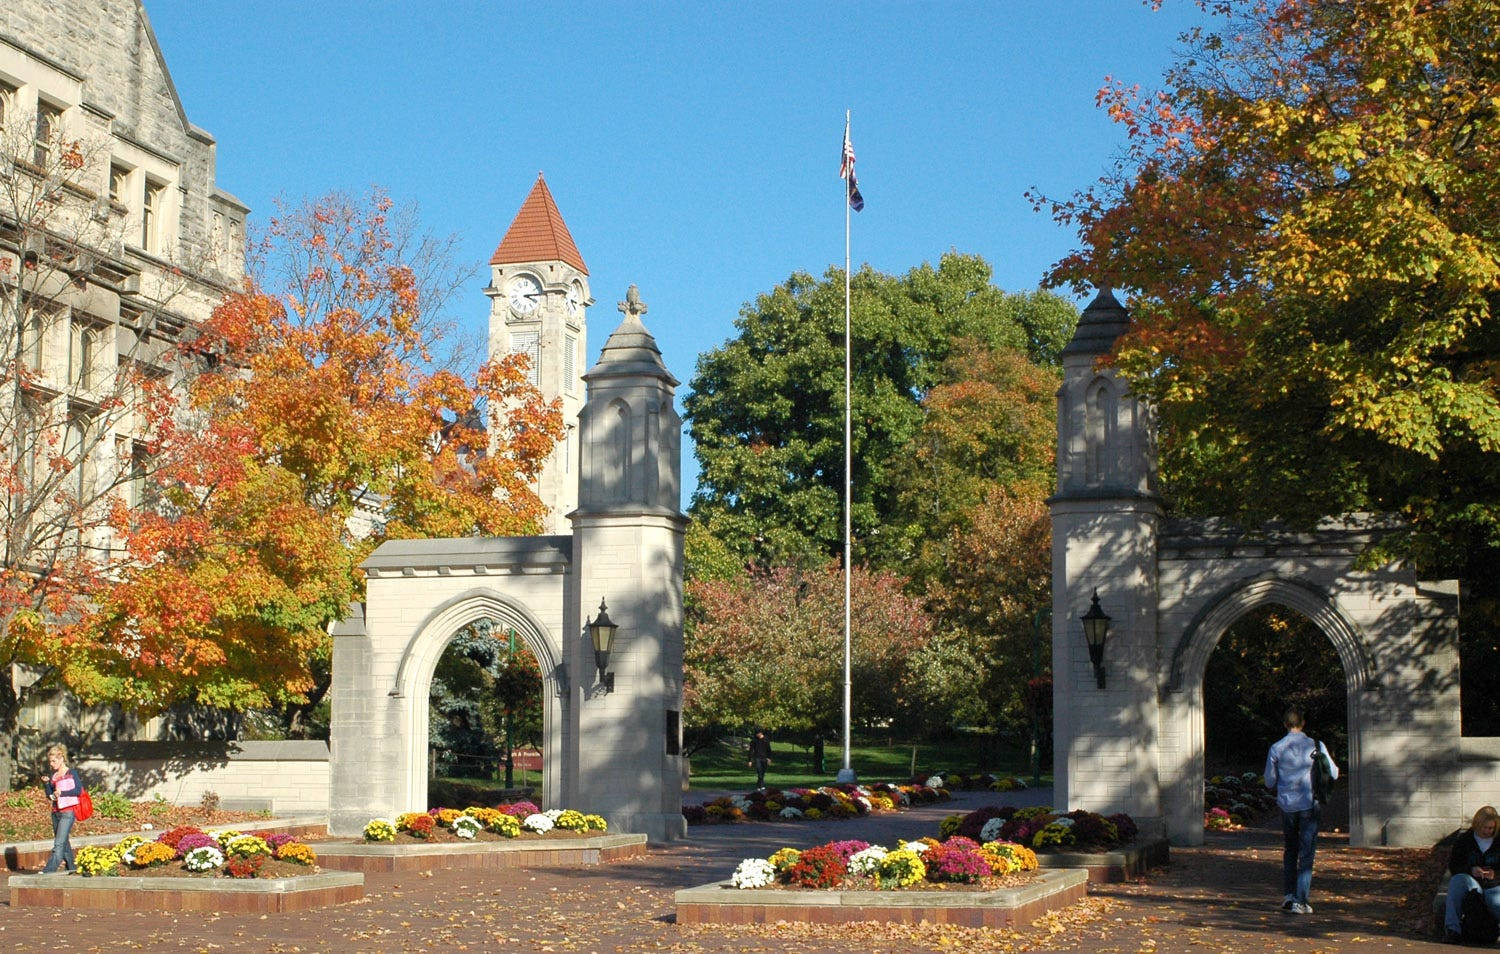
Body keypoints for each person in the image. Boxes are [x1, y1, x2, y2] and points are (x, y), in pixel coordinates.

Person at [1264, 707, 1339, 914]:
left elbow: (1269, 781)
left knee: (1290, 849)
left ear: (1284, 724)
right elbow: (1333, 772)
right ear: (1303, 723)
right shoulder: (1316, 745)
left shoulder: (1276, 748)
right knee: (1307, 852)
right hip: (1309, 802)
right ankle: (1301, 899)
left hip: (1287, 805)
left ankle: (1288, 896)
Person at [1443, 805, 1500, 943]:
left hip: (1495, 884)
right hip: (1472, 881)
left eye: (1491, 828)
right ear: (1477, 825)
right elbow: (1454, 865)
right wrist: (1471, 870)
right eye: (1484, 828)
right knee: (1457, 881)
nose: (1487, 831)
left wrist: (1496, 873)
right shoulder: (1465, 840)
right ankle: (1452, 930)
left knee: (1496, 902)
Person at [41, 743, 84, 873]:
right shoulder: (53, 776)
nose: (51, 764)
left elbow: (78, 790)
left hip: (68, 813)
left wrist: (62, 793)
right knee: (64, 842)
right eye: (50, 761)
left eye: (54, 761)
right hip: (55, 813)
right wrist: (47, 784)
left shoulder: (72, 773)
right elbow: (50, 796)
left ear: (61, 759)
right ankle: (72, 868)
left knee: (59, 844)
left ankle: (49, 870)